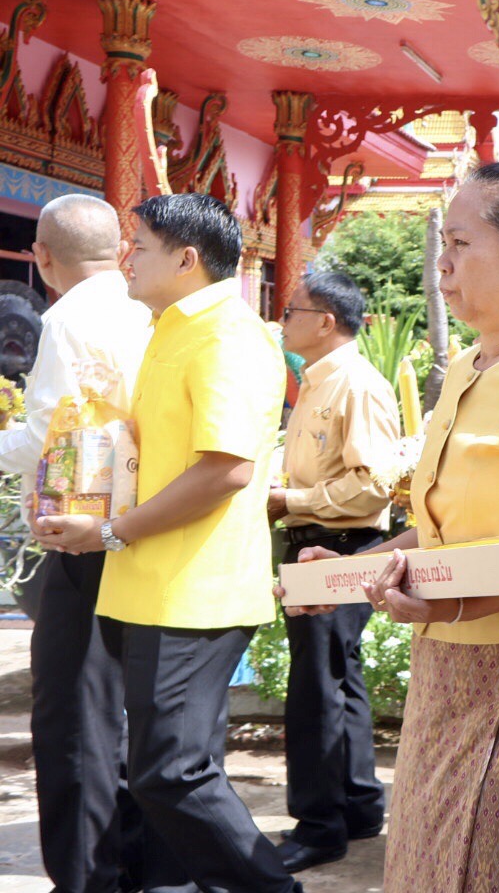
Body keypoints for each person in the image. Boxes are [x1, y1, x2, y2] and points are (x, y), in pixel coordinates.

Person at [285, 162, 499, 892]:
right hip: (447, 667)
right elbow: (445, 530)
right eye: (443, 244)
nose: (441, 264)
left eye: (461, 243)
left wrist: (459, 602)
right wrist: (352, 573)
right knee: (426, 870)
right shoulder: (471, 364)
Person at [35, 193, 295, 892]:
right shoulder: (168, 329)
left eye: (141, 247)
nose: (126, 260)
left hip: (194, 589)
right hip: (151, 583)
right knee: (162, 772)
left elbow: (226, 469)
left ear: (186, 260)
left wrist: (110, 530)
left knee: (172, 773)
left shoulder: (226, 335)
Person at [2, 195, 150, 893]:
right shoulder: (146, 307)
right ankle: (132, 863)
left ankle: (87, 876)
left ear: (42, 258)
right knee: (128, 712)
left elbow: (48, 433)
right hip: (149, 527)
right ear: (122, 250)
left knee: (73, 716)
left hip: (87, 534)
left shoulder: (66, 320)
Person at [269, 271, 398, 872]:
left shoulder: (356, 383)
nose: (281, 320)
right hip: (317, 538)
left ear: (325, 322)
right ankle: (356, 805)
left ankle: (320, 825)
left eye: (290, 311)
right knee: (336, 677)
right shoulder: (319, 380)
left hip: (337, 544)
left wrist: (290, 501)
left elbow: (374, 484)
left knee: (317, 687)